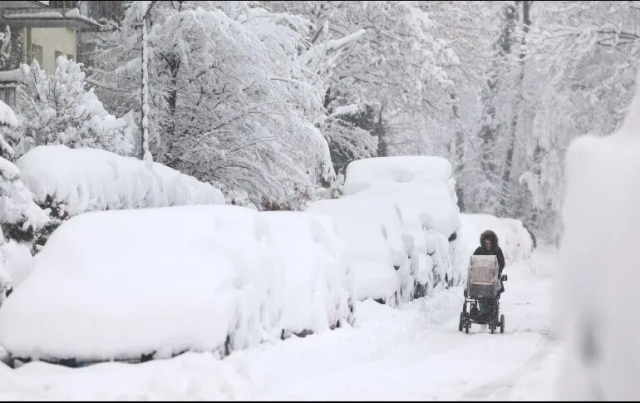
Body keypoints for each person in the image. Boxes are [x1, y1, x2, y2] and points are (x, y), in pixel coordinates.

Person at [473, 230, 505, 321]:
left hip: (493, 279)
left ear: (493, 243)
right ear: (483, 243)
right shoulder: (479, 251)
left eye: (490, 243)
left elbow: (501, 263)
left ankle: (490, 314)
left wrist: (497, 272)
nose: (488, 245)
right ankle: (483, 313)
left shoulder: (497, 251)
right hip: (481, 279)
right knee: (481, 295)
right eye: (486, 243)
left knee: (493, 296)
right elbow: (473, 262)